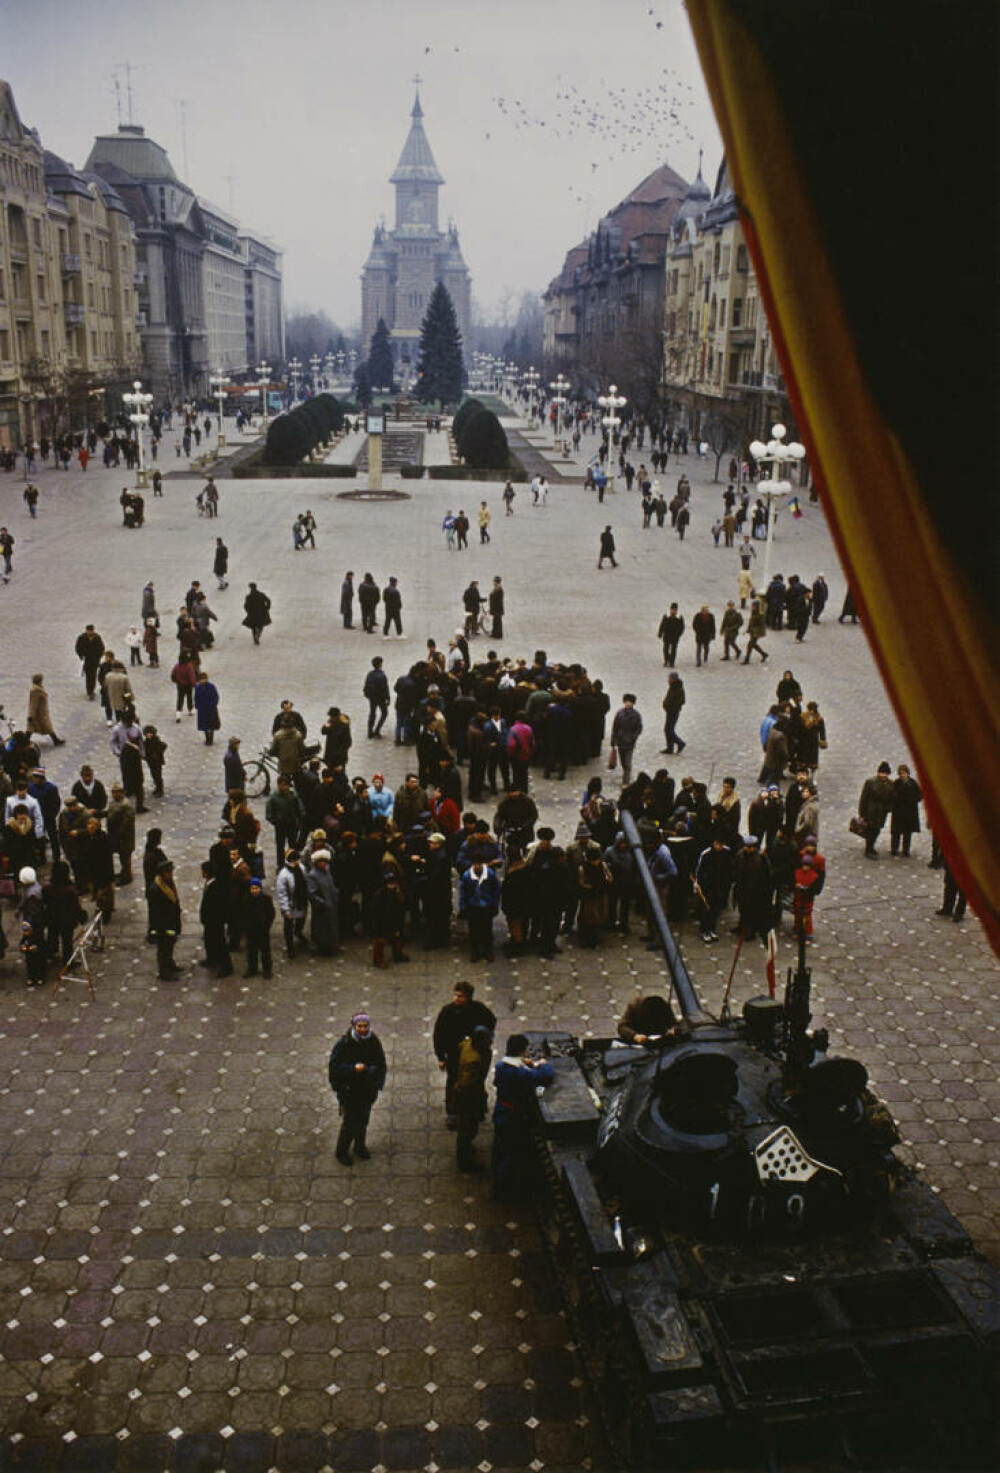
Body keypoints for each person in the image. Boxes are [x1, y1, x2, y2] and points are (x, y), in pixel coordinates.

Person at [491, 1034, 554, 1200]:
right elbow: (543, 1075)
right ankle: (503, 1190)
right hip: (512, 1116)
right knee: (509, 1152)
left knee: (499, 1148)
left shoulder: (501, 1066)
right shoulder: (519, 1074)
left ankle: (497, 1180)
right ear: (522, 1051)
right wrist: (542, 1065)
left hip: (501, 1111)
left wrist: (530, 1064)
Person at [433, 981, 497, 1127]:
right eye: (456, 995)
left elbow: (491, 1021)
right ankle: (452, 1113)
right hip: (454, 1054)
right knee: (453, 1082)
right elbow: (438, 1035)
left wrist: (487, 1037)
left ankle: (478, 1108)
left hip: (474, 1052)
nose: (456, 999)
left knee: (476, 1081)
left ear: (468, 997)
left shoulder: (478, 1009)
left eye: (460, 996)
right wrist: (441, 1057)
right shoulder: (447, 1012)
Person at [328, 1011, 387, 1165]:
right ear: (354, 1026)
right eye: (359, 1026)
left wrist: (377, 1082)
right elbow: (334, 1067)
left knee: (363, 1120)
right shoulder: (344, 1043)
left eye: (365, 1026)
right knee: (349, 1123)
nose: (362, 1029)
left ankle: (360, 1147)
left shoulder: (373, 1041)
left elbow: (381, 1063)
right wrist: (353, 1068)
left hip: (367, 1090)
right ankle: (341, 1151)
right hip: (349, 1091)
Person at [453, 1027, 493, 1173]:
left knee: (467, 1127)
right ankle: (465, 1162)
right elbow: (467, 1084)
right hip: (468, 1100)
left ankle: (466, 1149)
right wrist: (478, 1098)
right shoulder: (474, 1061)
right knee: (468, 1128)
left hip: (468, 1096)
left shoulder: (468, 1044)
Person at [458, 855, 502, 962]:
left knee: (487, 929)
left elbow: (496, 890)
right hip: (472, 906)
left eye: (479, 864)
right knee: (473, 930)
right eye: (475, 864)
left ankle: (488, 950)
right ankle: (475, 951)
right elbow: (463, 893)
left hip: (487, 906)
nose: (477, 866)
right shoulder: (467, 875)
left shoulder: (490, 874)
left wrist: (495, 905)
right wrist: (462, 907)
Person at [148, 859, 182, 980]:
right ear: (162, 873)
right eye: (169, 872)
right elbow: (155, 912)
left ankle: (170, 964)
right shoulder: (156, 889)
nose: (171, 874)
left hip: (171, 921)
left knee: (170, 944)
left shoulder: (168, 883)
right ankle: (164, 972)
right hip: (163, 925)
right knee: (164, 948)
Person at [276, 849, 309, 958]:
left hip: (301, 901)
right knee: (288, 926)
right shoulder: (283, 875)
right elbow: (282, 893)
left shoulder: (301, 868)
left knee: (301, 919)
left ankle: (298, 932)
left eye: (297, 859)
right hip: (291, 904)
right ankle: (290, 947)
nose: (296, 862)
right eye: (294, 860)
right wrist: (285, 909)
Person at [306, 848, 340, 955]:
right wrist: (322, 903)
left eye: (324, 861)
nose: (323, 863)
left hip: (331, 904)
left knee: (331, 926)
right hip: (322, 908)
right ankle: (322, 947)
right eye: (321, 861)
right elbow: (312, 893)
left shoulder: (327, 870)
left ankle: (331, 945)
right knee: (321, 928)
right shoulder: (313, 875)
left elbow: (331, 884)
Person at [858, 761, 894, 858]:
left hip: (882, 811)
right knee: (870, 829)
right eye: (882, 773)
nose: (883, 775)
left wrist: (888, 808)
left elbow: (891, 798)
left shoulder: (890, 784)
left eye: (886, 773)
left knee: (877, 830)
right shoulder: (870, 782)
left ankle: (871, 846)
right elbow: (864, 798)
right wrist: (862, 813)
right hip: (871, 810)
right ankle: (868, 849)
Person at [244, 877, 275, 978]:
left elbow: (271, 914)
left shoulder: (266, 899)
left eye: (256, 888)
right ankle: (252, 969)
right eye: (252, 888)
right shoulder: (246, 899)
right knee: (251, 951)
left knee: (265, 951)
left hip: (263, 930)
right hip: (251, 930)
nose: (254, 890)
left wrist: (267, 925)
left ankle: (267, 970)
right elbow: (242, 914)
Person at [890, 763, 923, 857]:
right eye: (901, 773)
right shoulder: (896, 783)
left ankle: (906, 850)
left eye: (904, 773)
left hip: (909, 812)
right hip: (899, 812)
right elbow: (892, 795)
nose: (903, 775)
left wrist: (913, 799)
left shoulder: (913, 783)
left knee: (907, 833)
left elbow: (919, 795)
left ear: (907, 773)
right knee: (896, 832)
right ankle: (894, 849)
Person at [106, 784, 136, 886]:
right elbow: (109, 813)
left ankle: (127, 877)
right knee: (122, 857)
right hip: (117, 837)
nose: (114, 794)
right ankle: (124, 872)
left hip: (124, 839)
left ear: (122, 793)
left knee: (125, 858)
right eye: (113, 792)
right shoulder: (114, 803)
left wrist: (116, 835)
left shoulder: (126, 805)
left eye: (117, 792)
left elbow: (126, 823)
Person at [25, 674, 64, 747]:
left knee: (32, 728)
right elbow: (33, 704)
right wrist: (31, 715)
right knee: (43, 727)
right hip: (38, 714)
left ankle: (55, 740)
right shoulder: (35, 691)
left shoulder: (38, 688)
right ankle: (55, 740)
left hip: (41, 712)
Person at [363, 657, 390, 738]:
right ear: (380, 664)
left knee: (372, 713)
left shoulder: (370, 674)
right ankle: (377, 730)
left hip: (372, 697)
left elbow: (366, 686)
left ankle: (370, 731)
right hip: (380, 697)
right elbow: (385, 688)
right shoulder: (382, 675)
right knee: (384, 713)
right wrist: (387, 698)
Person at [193, 672, 221, 745]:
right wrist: (197, 705)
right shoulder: (198, 687)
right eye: (201, 680)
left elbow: (216, 696)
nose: (202, 681)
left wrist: (213, 704)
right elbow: (196, 697)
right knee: (204, 725)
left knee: (212, 724)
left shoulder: (211, 686)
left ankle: (211, 738)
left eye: (204, 679)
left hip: (211, 708)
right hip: (202, 709)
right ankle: (207, 738)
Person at [742, 598, 769, 663]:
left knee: (750, 645)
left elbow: (761, 625)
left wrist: (759, 634)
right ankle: (764, 654)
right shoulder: (754, 612)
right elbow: (751, 623)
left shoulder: (760, 614)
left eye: (753, 606)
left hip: (756, 632)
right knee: (753, 644)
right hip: (753, 631)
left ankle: (747, 659)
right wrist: (747, 630)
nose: (752, 607)